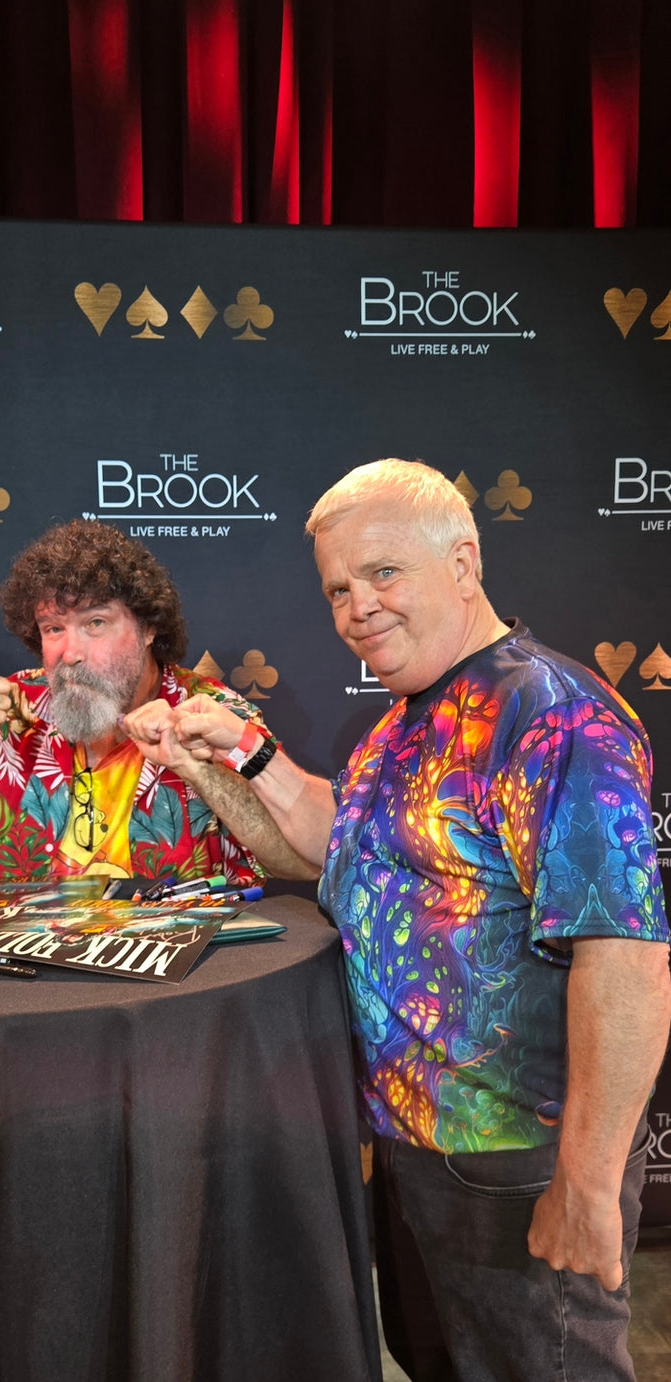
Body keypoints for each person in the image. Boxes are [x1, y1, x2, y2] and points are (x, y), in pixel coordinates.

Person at [122, 458, 671, 1382]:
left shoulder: (553, 716)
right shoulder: (409, 717)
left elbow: (625, 960)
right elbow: (332, 844)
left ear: (463, 564)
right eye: (338, 589)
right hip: (418, 1148)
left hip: (516, 1160)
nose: (357, 608)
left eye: (383, 573)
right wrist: (230, 757)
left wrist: (585, 1181)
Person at [0, 519, 315, 886]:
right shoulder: (10, 707)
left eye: (95, 622)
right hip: (11, 954)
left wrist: (198, 768)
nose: (70, 653)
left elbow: (300, 862)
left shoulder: (212, 713)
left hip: (157, 953)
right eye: (53, 629)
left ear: (148, 628)